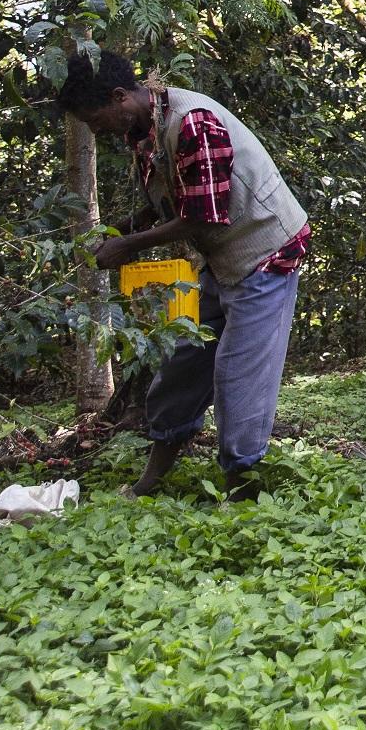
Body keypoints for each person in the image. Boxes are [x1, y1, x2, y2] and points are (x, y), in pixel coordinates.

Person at [59, 49, 310, 500]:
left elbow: (204, 216)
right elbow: (173, 200)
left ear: (119, 97)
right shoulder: (143, 128)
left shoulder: (193, 123)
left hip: (267, 249)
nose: (96, 130)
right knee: (182, 362)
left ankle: (243, 492)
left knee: (239, 376)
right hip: (222, 256)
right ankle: (151, 481)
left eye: (96, 120)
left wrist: (128, 246)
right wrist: (122, 230)